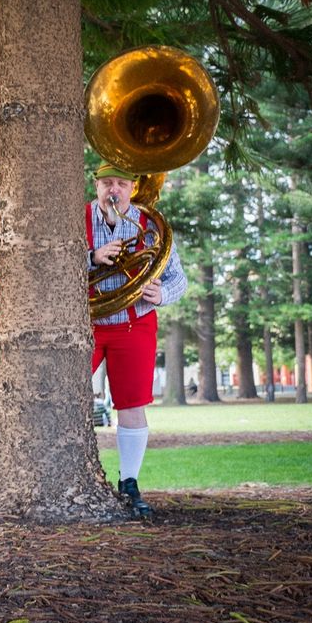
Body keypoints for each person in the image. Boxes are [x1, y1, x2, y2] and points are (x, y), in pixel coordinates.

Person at [86, 162, 187, 519]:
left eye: (120, 184)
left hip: (135, 324)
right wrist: (92, 258)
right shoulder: (77, 220)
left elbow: (179, 280)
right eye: (106, 183)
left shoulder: (150, 226)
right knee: (67, 396)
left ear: (131, 188)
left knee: (131, 405)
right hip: (87, 326)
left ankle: (129, 481)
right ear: (96, 186)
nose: (112, 190)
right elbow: (54, 266)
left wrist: (161, 294)